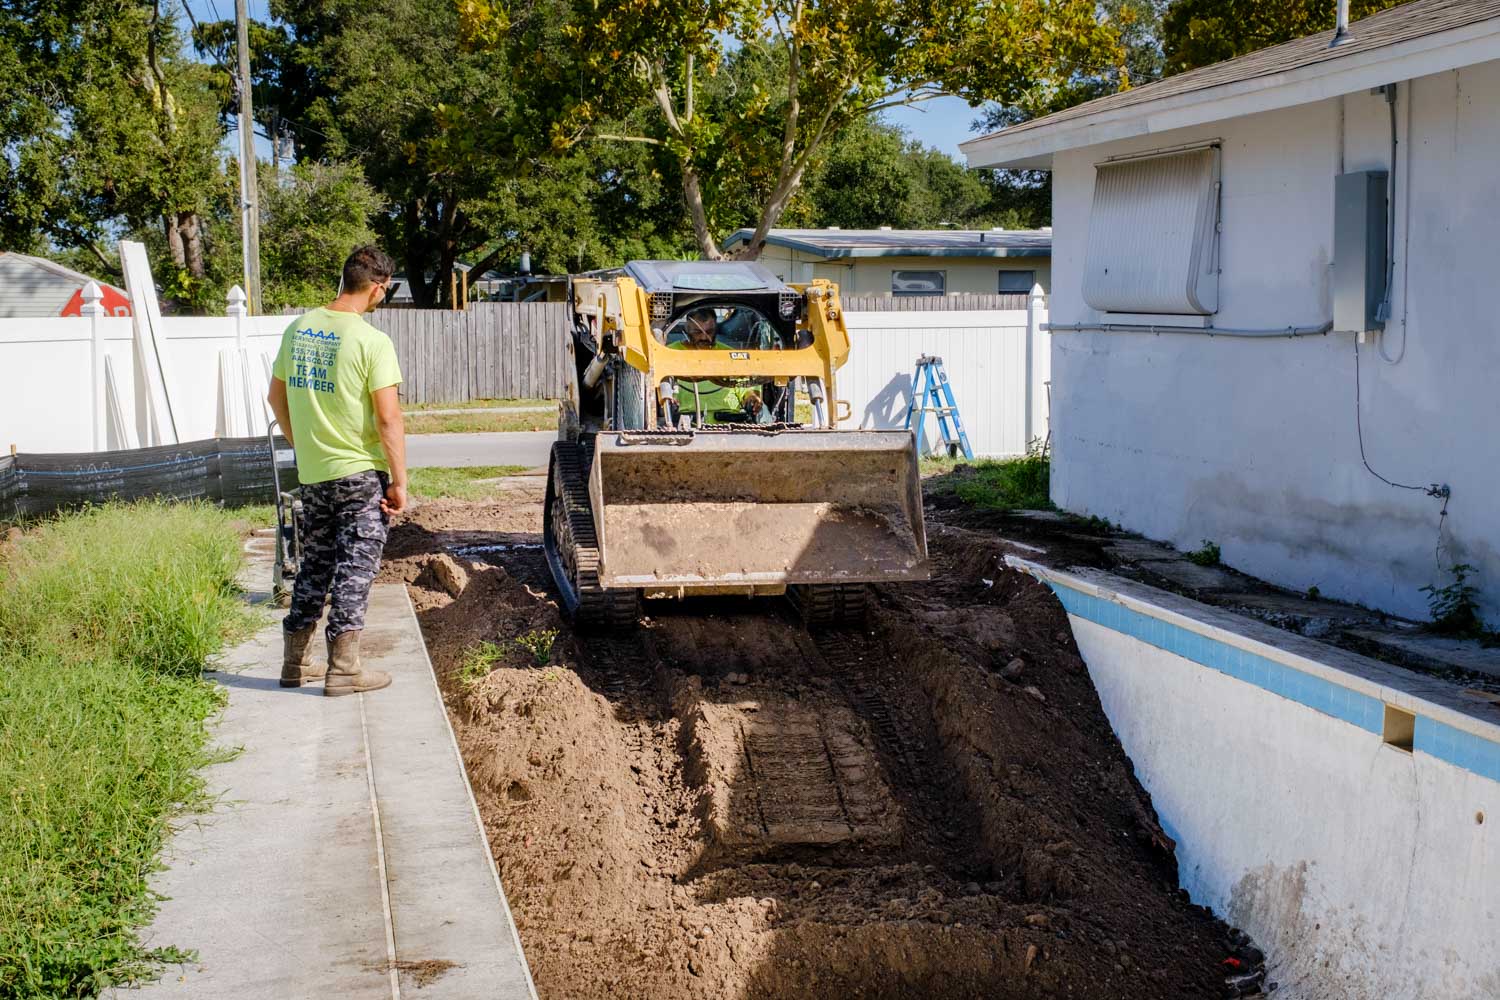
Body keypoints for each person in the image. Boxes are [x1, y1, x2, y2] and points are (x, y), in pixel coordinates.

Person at [267, 246, 407, 696]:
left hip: (314, 475)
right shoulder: (371, 342)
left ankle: (294, 662)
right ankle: (344, 669)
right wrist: (400, 481)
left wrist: (302, 445)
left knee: (315, 564)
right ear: (380, 287)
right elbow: (388, 418)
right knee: (354, 568)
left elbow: (276, 399)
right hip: (360, 475)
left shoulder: (299, 329)